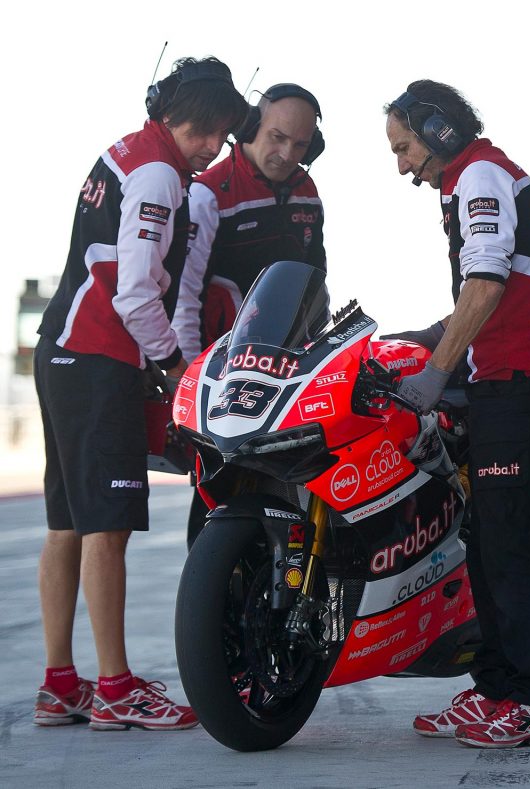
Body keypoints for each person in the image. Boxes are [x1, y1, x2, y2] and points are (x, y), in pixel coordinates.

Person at [33, 57, 247, 731]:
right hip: (99, 361)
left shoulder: (126, 151)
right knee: (108, 525)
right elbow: (135, 292)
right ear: (180, 112)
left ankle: (61, 683)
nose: (213, 146)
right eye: (208, 130)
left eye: (222, 135)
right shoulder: (158, 173)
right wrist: (177, 366)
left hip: (61, 351)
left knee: (67, 523)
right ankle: (117, 689)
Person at [383, 80, 530, 748]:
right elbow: (481, 291)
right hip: (497, 378)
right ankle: (494, 688)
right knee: (485, 538)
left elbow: (486, 282)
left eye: (404, 147)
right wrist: (412, 343)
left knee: (507, 540)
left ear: (436, 130)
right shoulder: (467, 181)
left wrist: (435, 372)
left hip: (516, 382)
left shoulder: (480, 175)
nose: (403, 164)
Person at [172, 82, 327, 549]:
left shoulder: (308, 191)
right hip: (221, 376)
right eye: (277, 137)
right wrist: (187, 377)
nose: (286, 153)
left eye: (301, 145)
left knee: (290, 489)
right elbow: (183, 296)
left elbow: (318, 278)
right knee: (217, 493)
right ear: (250, 127)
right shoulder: (207, 194)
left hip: (288, 374)